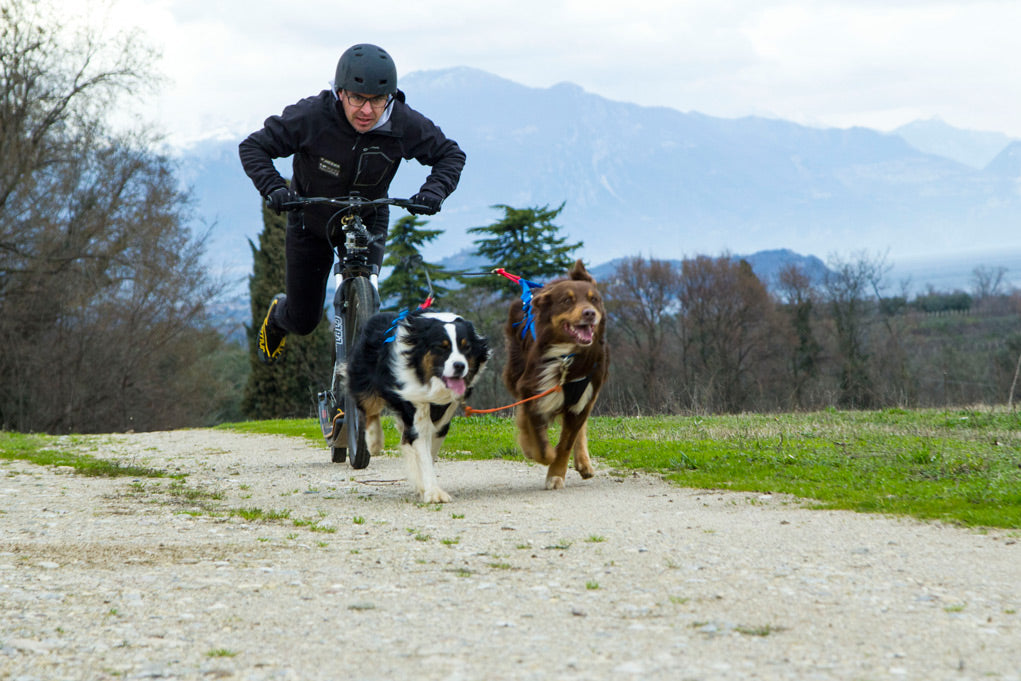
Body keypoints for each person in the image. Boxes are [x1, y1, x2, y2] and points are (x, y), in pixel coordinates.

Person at [239, 43, 466, 364]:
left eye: (378, 100)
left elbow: (450, 155)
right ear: (340, 92)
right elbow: (253, 147)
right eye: (357, 98)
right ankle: (279, 315)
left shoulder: (402, 123)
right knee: (303, 320)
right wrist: (274, 188)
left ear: (390, 97)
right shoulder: (312, 117)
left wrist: (433, 191)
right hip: (310, 221)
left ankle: (355, 381)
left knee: (367, 295)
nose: (367, 111)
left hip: (368, 218)